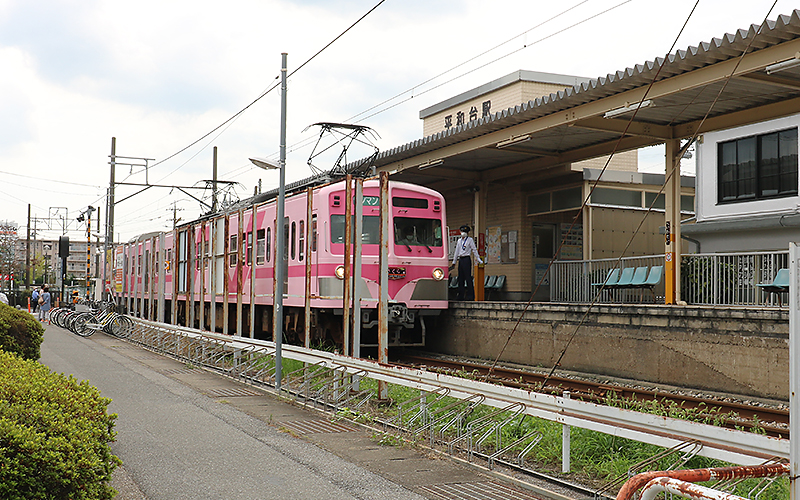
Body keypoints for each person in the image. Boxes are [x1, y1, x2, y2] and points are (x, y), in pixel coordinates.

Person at [451, 224, 483, 300]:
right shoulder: (459, 241)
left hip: (467, 259)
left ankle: (470, 296)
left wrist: (478, 259)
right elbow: (456, 251)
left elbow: (474, 250)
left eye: (464, 232)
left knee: (468, 278)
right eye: (462, 231)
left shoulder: (470, 240)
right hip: (461, 260)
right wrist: (454, 262)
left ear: (467, 233)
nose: (463, 233)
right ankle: (460, 295)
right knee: (460, 278)